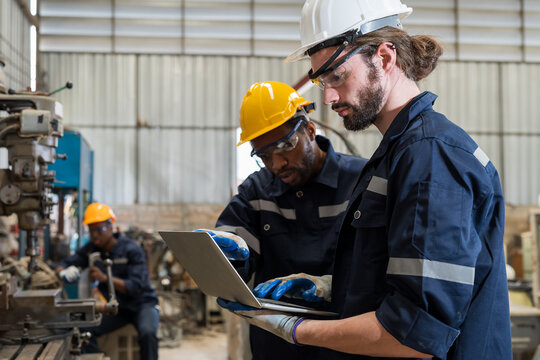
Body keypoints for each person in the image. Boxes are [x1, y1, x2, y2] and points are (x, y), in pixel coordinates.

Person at [218, 0, 513, 359]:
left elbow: (415, 333)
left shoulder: (430, 158)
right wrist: (334, 287)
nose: (327, 97)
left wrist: (296, 329)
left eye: (337, 76)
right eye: (321, 82)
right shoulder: (396, 156)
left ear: (385, 58)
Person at [199, 81, 367, 360]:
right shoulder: (258, 190)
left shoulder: (360, 181)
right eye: (264, 156)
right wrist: (225, 255)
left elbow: (377, 267)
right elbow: (234, 241)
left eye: (285, 146)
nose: (276, 164)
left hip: (343, 341)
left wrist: (330, 286)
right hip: (275, 343)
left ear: (310, 131)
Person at [55, 202, 160, 360]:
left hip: (143, 304)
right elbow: (64, 263)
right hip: (118, 309)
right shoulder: (91, 249)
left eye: (98, 230)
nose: (95, 235)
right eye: (91, 231)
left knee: (148, 333)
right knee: (85, 329)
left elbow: (135, 287)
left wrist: (104, 278)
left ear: (110, 227)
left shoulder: (131, 249)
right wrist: (63, 271)